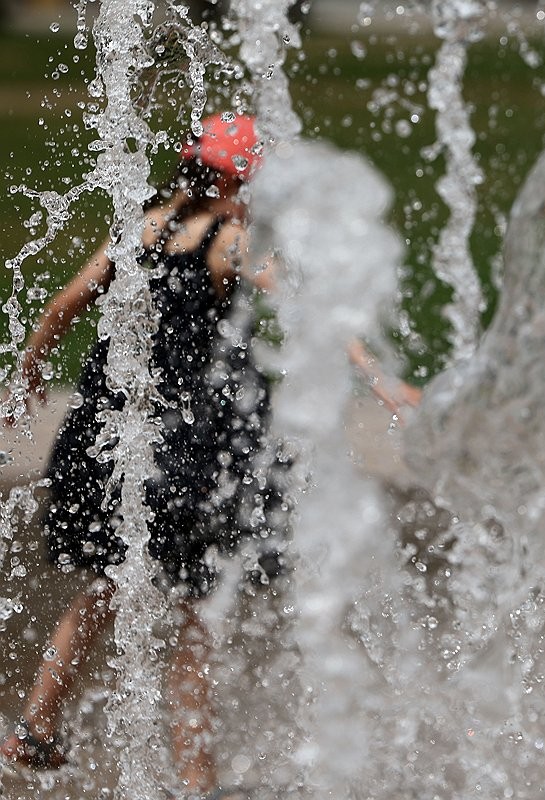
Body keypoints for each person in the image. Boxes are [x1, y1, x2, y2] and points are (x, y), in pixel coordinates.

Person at [1, 113, 280, 798]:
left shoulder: (146, 225)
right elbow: (305, 304)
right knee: (196, 610)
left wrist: (28, 374)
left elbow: (66, 305)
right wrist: (379, 376)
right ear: (225, 179)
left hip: (113, 433)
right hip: (187, 449)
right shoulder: (232, 239)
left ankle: (36, 728)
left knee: (106, 583)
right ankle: (194, 778)